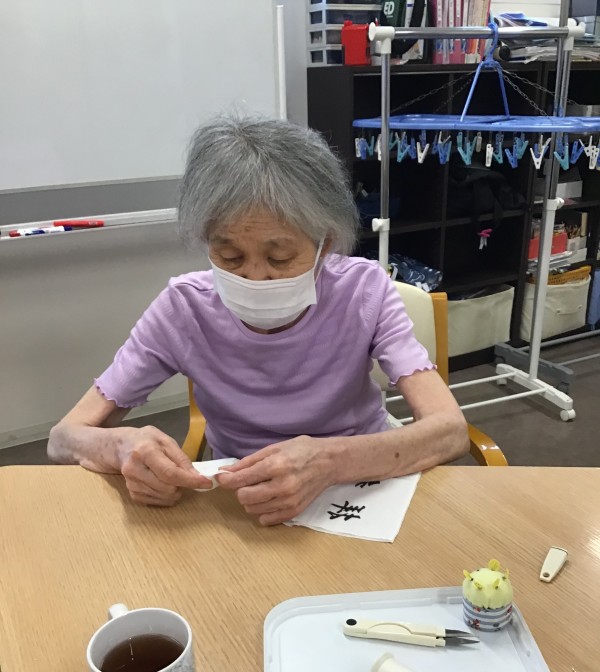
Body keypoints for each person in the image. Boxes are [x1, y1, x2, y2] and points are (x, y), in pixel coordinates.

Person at [48, 114, 468, 525]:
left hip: (360, 483)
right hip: (242, 497)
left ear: (324, 245)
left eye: (280, 257)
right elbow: (63, 438)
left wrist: (329, 461)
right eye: (229, 256)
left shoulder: (364, 291)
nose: (254, 277)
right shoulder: (183, 309)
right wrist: (122, 447)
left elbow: (449, 430)